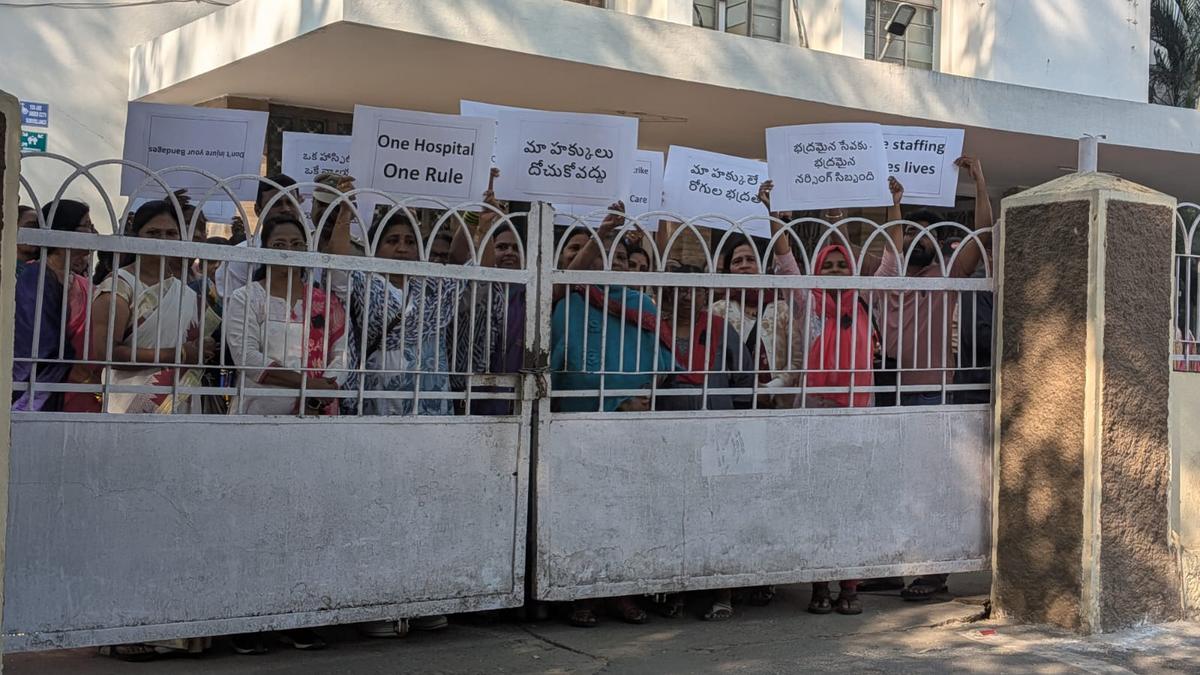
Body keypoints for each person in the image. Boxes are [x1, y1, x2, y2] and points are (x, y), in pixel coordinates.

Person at [876, 158, 993, 602]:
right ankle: (893, 568)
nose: (915, 239)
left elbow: (982, 236)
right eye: (909, 233)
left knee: (930, 486)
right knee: (894, 485)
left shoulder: (948, 275)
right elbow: (892, 241)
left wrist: (979, 182)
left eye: (924, 233)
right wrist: (895, 203)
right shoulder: (890, 276)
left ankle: (934, 573)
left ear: (939, 242)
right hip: (888, 392)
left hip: (932, 393)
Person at [88, 200, 217, 415]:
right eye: (153, 233)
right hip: (127, 402)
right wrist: (178, 354)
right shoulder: (119, 286)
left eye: (171, 233)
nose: (162, 240)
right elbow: (106, 353)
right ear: (137, 236)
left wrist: (203, 347)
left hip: (179, 401)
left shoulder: (184, 292)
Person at [224, 215, 348, 416]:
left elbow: (341, 355)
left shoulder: (325, 302)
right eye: (279, 244)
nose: (289, 250)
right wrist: (308, 384)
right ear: (265, 250)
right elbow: (246, 356)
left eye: (297, 244)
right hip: (258, 411)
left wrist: (319, 394)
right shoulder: (247, 297)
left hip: (315, 411)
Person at [11, 200, 96, 411]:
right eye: (86, 226)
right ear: (63, 230)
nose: (93, 233)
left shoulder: (83, 285)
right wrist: (83, 376)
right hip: (35, 387)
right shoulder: (33, 277)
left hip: (74, 388)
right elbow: (38, 342)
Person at [214, 174, 302, 298]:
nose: (286, 209)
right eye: (276, 204)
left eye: (291, 202)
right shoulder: (238, 258)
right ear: (258, 210)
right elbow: (233, 306)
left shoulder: (313, 250)